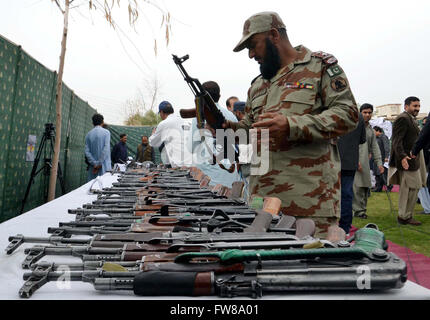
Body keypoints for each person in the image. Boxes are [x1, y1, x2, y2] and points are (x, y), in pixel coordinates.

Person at [224, 11, 359, 237]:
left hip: (309, 202)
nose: (250, 55)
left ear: (274, 35)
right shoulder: (258, 85)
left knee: (313, 268)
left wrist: (291, 125)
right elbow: (249, 130)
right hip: (262, 203)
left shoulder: (319, 68)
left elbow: (348, 114)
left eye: (253, 45)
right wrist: (223, 128)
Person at [189, 81, 242, 188]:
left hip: (209, 179)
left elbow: (192, 147)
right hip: (230, 177)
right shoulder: (231, 116)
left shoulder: (199, 117)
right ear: (219, 96)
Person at [388, 96, 426, 226]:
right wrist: (403, 157)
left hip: (412, 159)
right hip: (406, 159)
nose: (417, 108)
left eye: (418, 106)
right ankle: (404, 216)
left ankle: (407, 215)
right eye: (414, 106)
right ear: (406, 106)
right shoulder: (403, 119)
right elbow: (396, 141)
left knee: (414, 188)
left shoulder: (411, 119)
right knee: (408, 188)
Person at [352, 104, 384, 219]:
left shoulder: (370, 128)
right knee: (357, 188)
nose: (367, 115)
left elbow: (375, 147)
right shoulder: (354, 126)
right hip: (355, 162)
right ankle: (358, 212)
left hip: (366, 161)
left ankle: (362, 210)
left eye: (369, 112)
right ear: (360, 113)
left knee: (365, 187)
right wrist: (355, 161)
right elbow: (350, 145)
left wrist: (379, 163)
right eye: (365, 112)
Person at [337, 113, 366, 234]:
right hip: (349, 160)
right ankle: (345, 226)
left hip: (333, 160)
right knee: (346, 194)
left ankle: (335, 225)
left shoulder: (330, 112)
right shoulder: (358, 116)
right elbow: (362, 139)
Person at [149, 101, 190, 168]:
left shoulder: (164, 123)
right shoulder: (185, 121)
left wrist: (153, 134)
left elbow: (153, 143)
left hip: (180, 165)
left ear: (161, 112)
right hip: (194, 163)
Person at [412, 111, 430, 214]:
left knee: (423, 183)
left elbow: (423, 138)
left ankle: (427, 208)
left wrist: (414, 151)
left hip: (425, 160)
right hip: (424, 159)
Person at [84, 113, 111, 181]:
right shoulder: (106, 133)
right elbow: (106, 149)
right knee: (104, 187)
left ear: (93, 122)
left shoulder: (88, 134)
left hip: (93, 168)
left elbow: (87, 152)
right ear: (102, 122)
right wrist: (99, 163)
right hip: (104, 167)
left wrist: (94, 163)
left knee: (92, 187)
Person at [373, 126, 390, 192]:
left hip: (383, 158)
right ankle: (378, 187)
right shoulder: (376, 138)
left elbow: (386, 147)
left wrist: (386, 157)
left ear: (378, 131)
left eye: (374, 131)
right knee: (377, 174)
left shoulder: (383, 137)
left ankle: (389, 186)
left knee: (383, 174)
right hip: (376, 158)